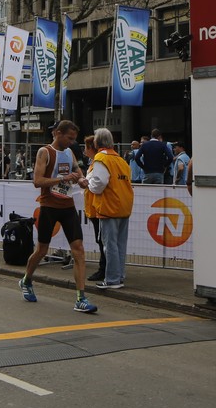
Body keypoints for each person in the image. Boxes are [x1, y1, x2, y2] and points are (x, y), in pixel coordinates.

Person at [18, 120, 98, 314]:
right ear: (58, 133)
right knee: (41, 250)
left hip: (67, 206)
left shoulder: (69, 152)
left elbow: (77, 171)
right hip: (49, 206)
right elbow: (37, 181)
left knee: (78, 250)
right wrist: (63, 178)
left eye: (74, 139)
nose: (72, 142)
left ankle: (81, 298)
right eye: (69, 138)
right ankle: (26, 280)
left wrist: (82, 180)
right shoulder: (45, 152)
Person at [85, 128, 134, 290]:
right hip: (124, 206)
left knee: (110, 245)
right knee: (120, 245)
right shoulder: (120, 159)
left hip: (109, 206)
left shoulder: (101, 158)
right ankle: (119, 276)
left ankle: (112, 279)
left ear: (97, 142)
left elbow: (99, 183)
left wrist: (88, 185)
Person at [81, 134, 106, 283]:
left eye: (86, 147)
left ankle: (104, 269)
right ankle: (104, 268)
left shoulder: (98, 163)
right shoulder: (93, 163)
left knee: (102, 240)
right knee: (100, 239)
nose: (84, 150)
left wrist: (86, 184)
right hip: (93, 208)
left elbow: (97, 184)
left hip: (97, 209)